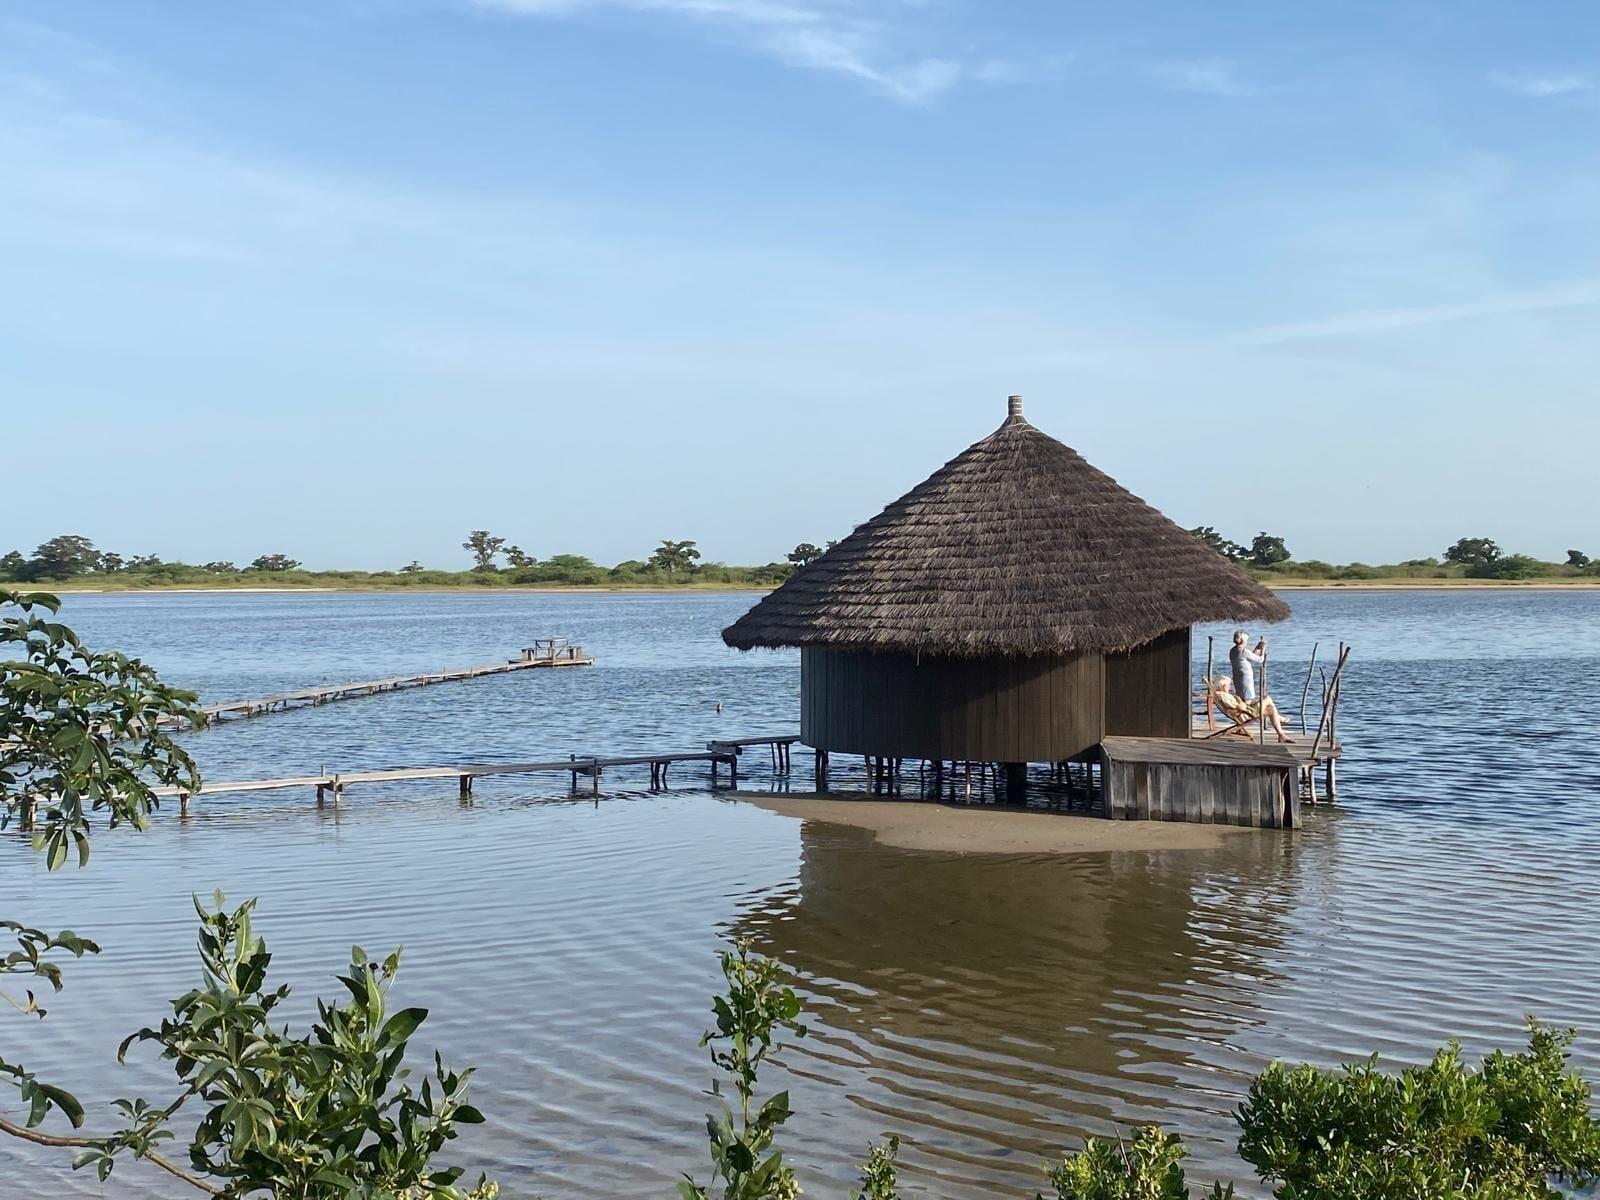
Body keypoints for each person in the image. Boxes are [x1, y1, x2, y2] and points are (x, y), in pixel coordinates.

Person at [1211, 675, 1294, 743]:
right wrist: (1241, 704)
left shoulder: (1221, 695)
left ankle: (1281, 734)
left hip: (1244, 712)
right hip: (1246, 714)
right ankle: (1280, 721)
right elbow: (1237, 708)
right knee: (1268, 699)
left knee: (1271, 709)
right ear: (1223, 686)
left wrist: (1239, 700)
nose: (1229, 687)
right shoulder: (1223, 696)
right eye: (1228, 685)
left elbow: (1235, 703)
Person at [1229, 630, 1266, 702]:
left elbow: (1249, 658)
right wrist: (1263, 649)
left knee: (1241, 699)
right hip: (1246, 678)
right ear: (1243, 640)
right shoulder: (1244, 651)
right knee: (1248, 699)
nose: (1247, 642)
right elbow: (1260, 659)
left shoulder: (1232, 650)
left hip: (1237, 677)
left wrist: (1257, 648)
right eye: (1246, 640)